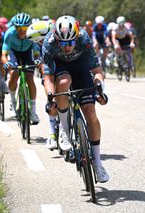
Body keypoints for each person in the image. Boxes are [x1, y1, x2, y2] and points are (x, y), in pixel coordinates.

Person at [42, 15, 109, 183]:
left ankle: (98, 164)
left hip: (80, 66)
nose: (67, 47)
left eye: (70, 43)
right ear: (56, 38)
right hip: (60, 68)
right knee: (63, 83)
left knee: (90, 112)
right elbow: (48, 78)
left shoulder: (84, 38)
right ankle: (64, 131)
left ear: (77, 36)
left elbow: (97, 71)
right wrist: (51, 97)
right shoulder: (49, 43)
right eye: (63, 43)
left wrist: (99, 87)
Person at [1, 12, 40, 124]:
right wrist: (7, 63)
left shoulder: (32, 33)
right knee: (14, 73)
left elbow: (36, 52)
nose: (21, 30)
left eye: (24, 27)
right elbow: (4, 54)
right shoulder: (9, 33)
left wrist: (37, 60)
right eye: (18, 27)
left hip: (27, 53)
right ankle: (12, 103)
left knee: (30, 78)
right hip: (14, 53)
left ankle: (33, 112)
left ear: (28, 27)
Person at [26, 20, 56, 149]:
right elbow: (42, 61)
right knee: (52, 98)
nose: (39, 44)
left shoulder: (55, 36)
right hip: (50, 66)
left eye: (40, 41)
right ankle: (52, 134)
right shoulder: (41, 42)